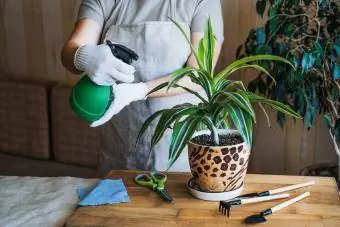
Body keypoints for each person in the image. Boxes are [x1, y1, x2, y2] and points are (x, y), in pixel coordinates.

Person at [61, 0, 224, 174]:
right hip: (121, 144)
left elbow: (198, 73)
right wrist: (83, 56)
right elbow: (70, 51)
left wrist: (139, 90)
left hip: (182, 149)